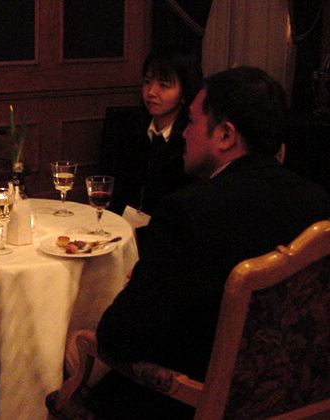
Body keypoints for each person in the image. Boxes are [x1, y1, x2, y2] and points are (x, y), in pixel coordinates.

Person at [86, 67, 330, 419]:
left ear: (225, 135)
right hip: (295, 404)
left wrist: (142, 284)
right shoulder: (317, 203)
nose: (184, 133)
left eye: (192, 121)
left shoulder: (189, 212)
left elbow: (118, 338)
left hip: (192, 403)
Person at [100, 48, 202, 219]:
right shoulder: (129, 127)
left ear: (184, 94)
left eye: (164, 85)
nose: (151, 92)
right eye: (147, 82)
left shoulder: (189, 138)